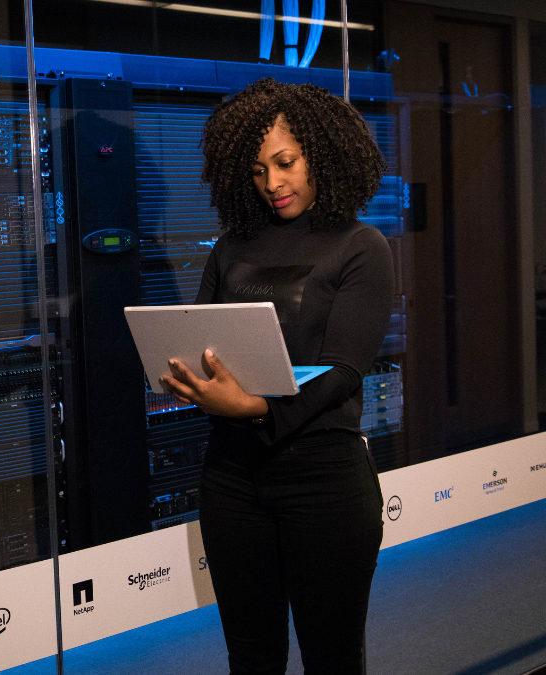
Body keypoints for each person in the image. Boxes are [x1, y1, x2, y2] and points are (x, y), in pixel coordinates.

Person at [160, 77, 393, 674]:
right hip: (233, 481)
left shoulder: (360, 246)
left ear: (323, 153)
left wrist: (255, 408)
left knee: (332, 658)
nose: (274, 184)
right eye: (259, 170)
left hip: (325, 482)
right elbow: (199, 343)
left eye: (285, 163)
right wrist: (185, 374)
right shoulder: (230, 248)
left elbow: (344, 370)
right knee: (251, 657)